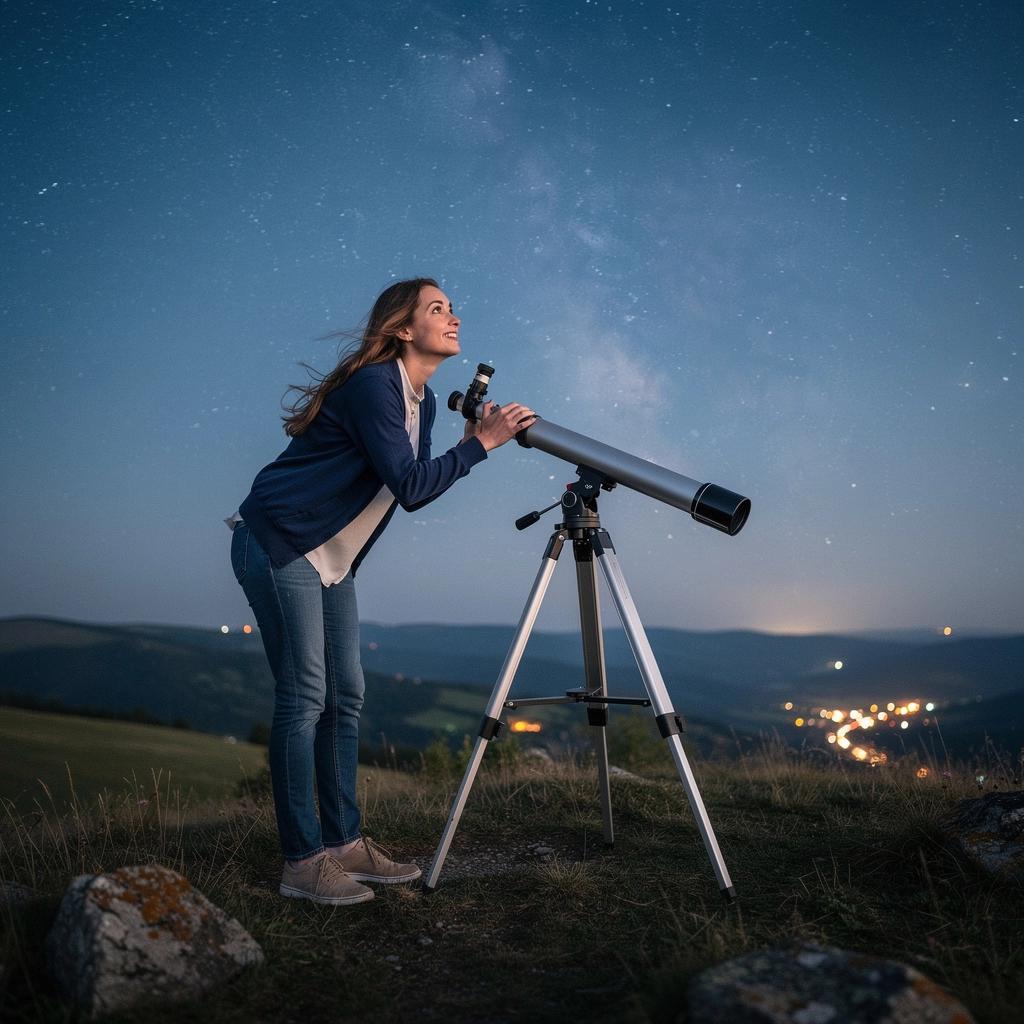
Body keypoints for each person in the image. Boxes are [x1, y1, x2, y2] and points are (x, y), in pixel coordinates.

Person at [227, 277, 536, 906]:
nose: (453, 317)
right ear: (402, 328)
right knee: (305, 697)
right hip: (282, 542)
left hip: (332, 560)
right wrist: (482, 445)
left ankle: (343, 844)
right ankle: (302, 861)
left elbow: (412, 481)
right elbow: (413, 487)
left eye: (452, 307)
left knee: (346, 695)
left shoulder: (420, 399)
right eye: (437, 309)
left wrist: (467, 444)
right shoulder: (374, 385)